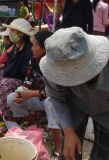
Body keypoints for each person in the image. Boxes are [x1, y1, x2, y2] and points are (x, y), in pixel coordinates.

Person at [40, 27, 109, 160]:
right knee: (68, 153)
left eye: (74, 77)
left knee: (104, 153)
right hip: (76, 103)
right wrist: (68, 130)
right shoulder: (54, 64)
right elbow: (57, 97)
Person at [7, 31, 61, 156]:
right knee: (11, 98)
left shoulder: (54, 65)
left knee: (49, 102)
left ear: (44, 49)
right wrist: (20, 93)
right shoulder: (33, 60)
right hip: (37, 98)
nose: (31, 48)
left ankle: (58, 144)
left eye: (34, 45)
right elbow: (28, 82)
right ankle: (35, 125)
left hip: (54, 101)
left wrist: (31, 94)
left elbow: (55, 93)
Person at [0, 18, 34, 117]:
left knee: (5, 82)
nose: (10, 33)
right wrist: (4, 65)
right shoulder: (13, 46)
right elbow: (12, 62)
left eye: (13, 31)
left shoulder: (28, 51)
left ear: (21, 34)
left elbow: (25, 73)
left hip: (21, 81)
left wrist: (8, 69)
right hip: (12, 75)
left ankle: (7, 115)